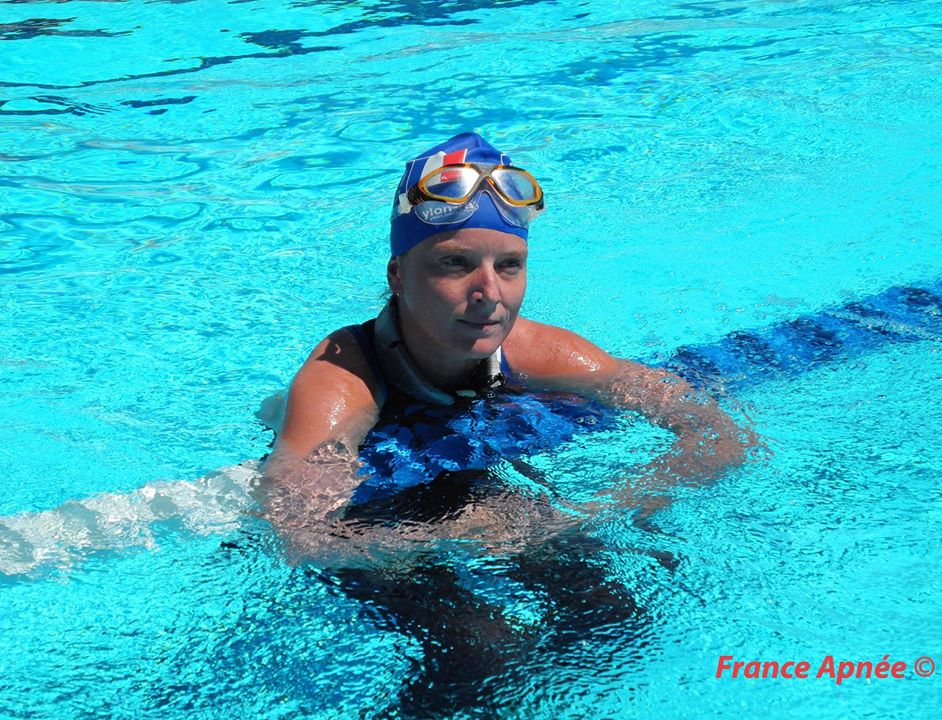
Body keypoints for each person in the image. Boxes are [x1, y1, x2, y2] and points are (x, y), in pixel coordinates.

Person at [259, 131, 751, 567]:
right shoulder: (342, 376)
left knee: (610, 607)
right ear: (398, 276)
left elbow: (713, 428)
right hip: (388, 501)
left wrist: (614, 506)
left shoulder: (535, 348)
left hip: (470, 475)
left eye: (509, 265)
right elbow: (298, 536)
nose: (490, 293)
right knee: (477, 644)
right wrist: (446, 536)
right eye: (455, 264)